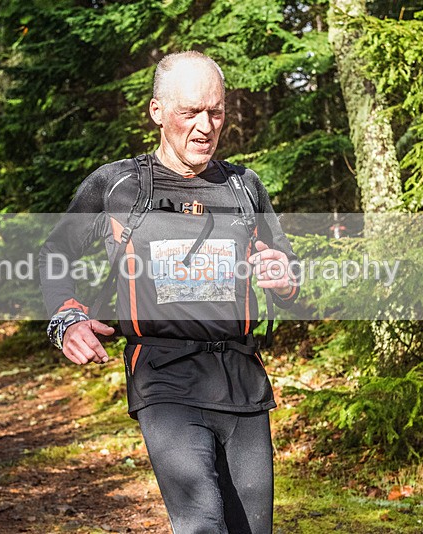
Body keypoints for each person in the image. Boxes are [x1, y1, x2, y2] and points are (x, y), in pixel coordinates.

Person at [39, 51, 298, 533]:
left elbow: (288, 279)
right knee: (201, 524)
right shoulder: (116, 186)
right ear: (158, 111)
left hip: (241, 379)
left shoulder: (244, 187)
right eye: (190, 112)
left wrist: (285, 279)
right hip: (164, 378)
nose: (206, 126)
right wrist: (66, 319)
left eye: (216, 112)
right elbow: (54, 254)